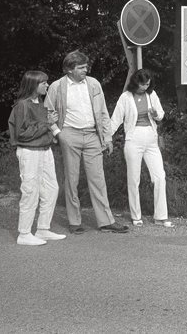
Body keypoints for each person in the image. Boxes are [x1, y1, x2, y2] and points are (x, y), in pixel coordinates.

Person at [45, 51, 128, 234]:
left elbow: (103, 112)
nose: (85, 70)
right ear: (69, 69)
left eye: (85, 66)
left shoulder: (93, 84)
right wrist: (59, 134)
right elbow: (47, 114)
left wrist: (107, 138)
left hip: (93, 135)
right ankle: (74, 221)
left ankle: (106, 221)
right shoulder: (57, 87)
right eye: (81, 67)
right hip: (69, 135)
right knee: (72, 180)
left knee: (98, 180)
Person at [7, 71, 67, 246]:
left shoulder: (40, 104)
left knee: (51, 189)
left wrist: (51, 125)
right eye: (43, 83)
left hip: (44, 150)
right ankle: (24, 233)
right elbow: (22, 133)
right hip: (29, 152)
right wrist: (47, 123)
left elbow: (43, 128)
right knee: (30, 190)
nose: (47, 86)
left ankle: (42, 228)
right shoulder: (22, 106)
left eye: (47, 82)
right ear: (33, 85)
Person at [110, 69, 173, 227]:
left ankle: (160, 216)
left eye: (148, 84)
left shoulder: (152, 95)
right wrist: (106, 137)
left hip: (151, 138)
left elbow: (161, 115)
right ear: (135, 82)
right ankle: (136, 215)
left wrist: (155, 113)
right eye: (143, 84)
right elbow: (116, 118)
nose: (145, 87)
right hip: (134, 138)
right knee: (134, 178)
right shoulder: (126, 97)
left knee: (159, 176)